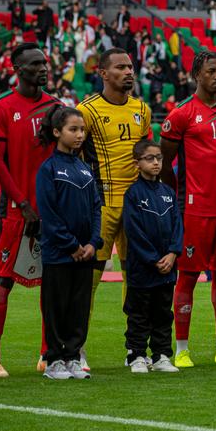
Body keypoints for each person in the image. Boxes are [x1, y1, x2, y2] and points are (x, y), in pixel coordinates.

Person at [0, 43, 60, 377]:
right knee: (3, 280)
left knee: (52, 283)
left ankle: (47, 354)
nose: (43, 69)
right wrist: (22, 203)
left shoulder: (57, 107)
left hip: (52, 212)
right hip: (17, 212)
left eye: (45, 63)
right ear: (17, 69)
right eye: (35, 64)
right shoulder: (1, 107)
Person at [160, 51, 216, 367]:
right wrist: (179, 197)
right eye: (211, 71)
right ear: (197, 74)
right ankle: (182, 349)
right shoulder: (181, 114)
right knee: (188, 277)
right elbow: (165, 164)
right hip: (193, 211)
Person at [79, 47, 153, 371]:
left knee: (135, 278)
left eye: (131, 67)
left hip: (136, 206)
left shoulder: (142, 109)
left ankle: (135, 349)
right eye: (121, 67)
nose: (128, 72)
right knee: (89, 280)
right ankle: (76, 349)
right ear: (103, 73)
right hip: (102, 205)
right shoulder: (87, 111)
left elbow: (149, 156)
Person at [34, 106, 101, 380]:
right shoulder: (48, 169)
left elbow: (96, 208)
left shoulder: (85, 169)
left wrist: (93, 243)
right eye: (73, 129)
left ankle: (73, 357)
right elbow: (49, 215)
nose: (80, 135)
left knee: (79, 309)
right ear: (56, 132)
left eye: (82, 130)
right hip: (59, 254)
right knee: (57, 308)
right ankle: (53, 361)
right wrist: (72, 245)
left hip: (85, 254)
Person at [122, 140, 182, 374]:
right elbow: (133, 231)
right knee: (138, 314)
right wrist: (153, 258)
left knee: (163, 314)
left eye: (159, 158)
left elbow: (177, 226)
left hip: (167, 267)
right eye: (149, 158)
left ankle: (162, 355)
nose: (156, 162)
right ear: (137, 163)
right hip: (142, 268)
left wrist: (173, 253)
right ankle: (137, 355)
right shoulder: (133, 194)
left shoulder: (168, 193)